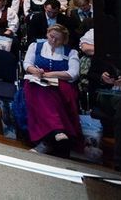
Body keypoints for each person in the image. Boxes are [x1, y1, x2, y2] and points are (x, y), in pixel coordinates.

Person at [23, 24, 82, 157]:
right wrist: (35, 71)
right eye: (51, 37)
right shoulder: (35, 47)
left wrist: (50, 74)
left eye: (58, 39)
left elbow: (73, 73)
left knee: (49, 94)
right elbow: (27, 64)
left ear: (64, 40)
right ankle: (57, 130)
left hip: (60, 84)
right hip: (36, 81)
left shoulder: (71, 52)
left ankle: (47, 141)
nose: (54, 41)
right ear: (47, 34)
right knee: (41, 91)